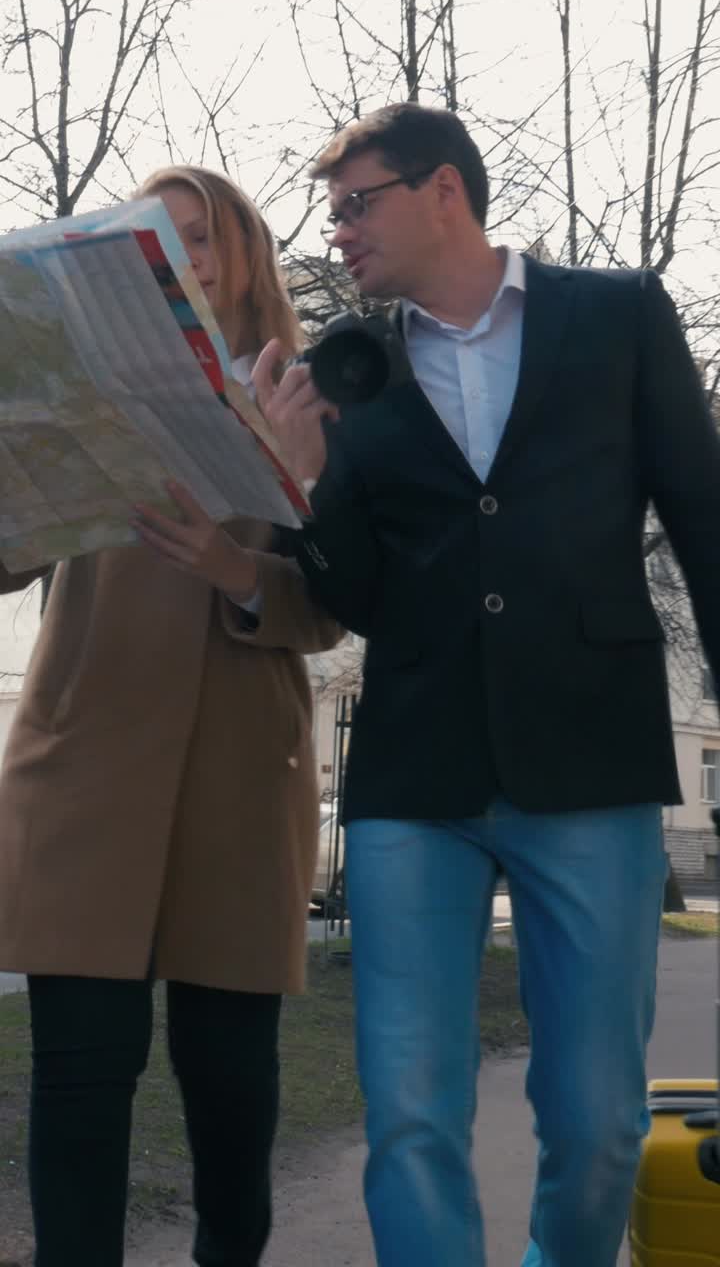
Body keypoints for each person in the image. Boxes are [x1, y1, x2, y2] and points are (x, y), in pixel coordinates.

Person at [250, 103, 720, 1267]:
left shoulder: (619, 314)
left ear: (444, 189)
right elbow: (358, 590)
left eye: (359, 204)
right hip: (417, 769)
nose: (339, 231)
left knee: (601, 1121)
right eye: (333, 210)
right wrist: (302, 483)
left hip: (591, 758)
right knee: (410, 1112)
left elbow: (704, 516)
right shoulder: (345, 367)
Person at [0, 165, 341, 1267]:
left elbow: (338, 604)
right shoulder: (77, 383)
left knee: (231, 1079)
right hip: (84, 762)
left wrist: (240, 562)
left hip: (243, 769)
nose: (184, 256)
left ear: (243, 253)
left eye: (201, 236)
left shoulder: (316, 394)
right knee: (81, 1072)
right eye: (162, 237)